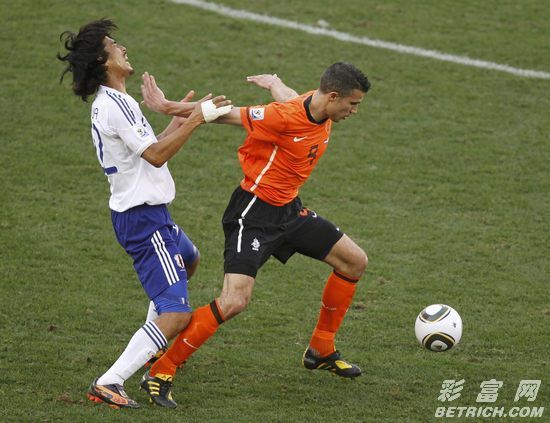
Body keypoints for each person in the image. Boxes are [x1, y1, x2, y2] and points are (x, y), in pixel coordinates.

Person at [139, 62, 371, 408]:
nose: (354, 111)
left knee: (354, 261)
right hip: (253, 215)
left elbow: (290, 97)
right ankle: (162, 369)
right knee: (234, 301)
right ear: (334, 96)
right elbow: (222, 114)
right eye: (353, 104)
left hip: (290, 211)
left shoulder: (314, 105)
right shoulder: (284, 117)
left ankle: (320, 349)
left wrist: (275, 82)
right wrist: (167, 106)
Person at [57, 19, 232, 409]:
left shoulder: (114, 103)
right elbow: (155, 155)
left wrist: (179, 120)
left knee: (189, 258)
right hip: (144, 220)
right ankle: (110, 381)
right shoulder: (117, 105)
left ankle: (153, 339)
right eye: (113, 45)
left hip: (145, 214)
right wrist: (196, 119)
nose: (122, 48)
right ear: (102, 61)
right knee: (178, 316)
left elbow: (147, 151)